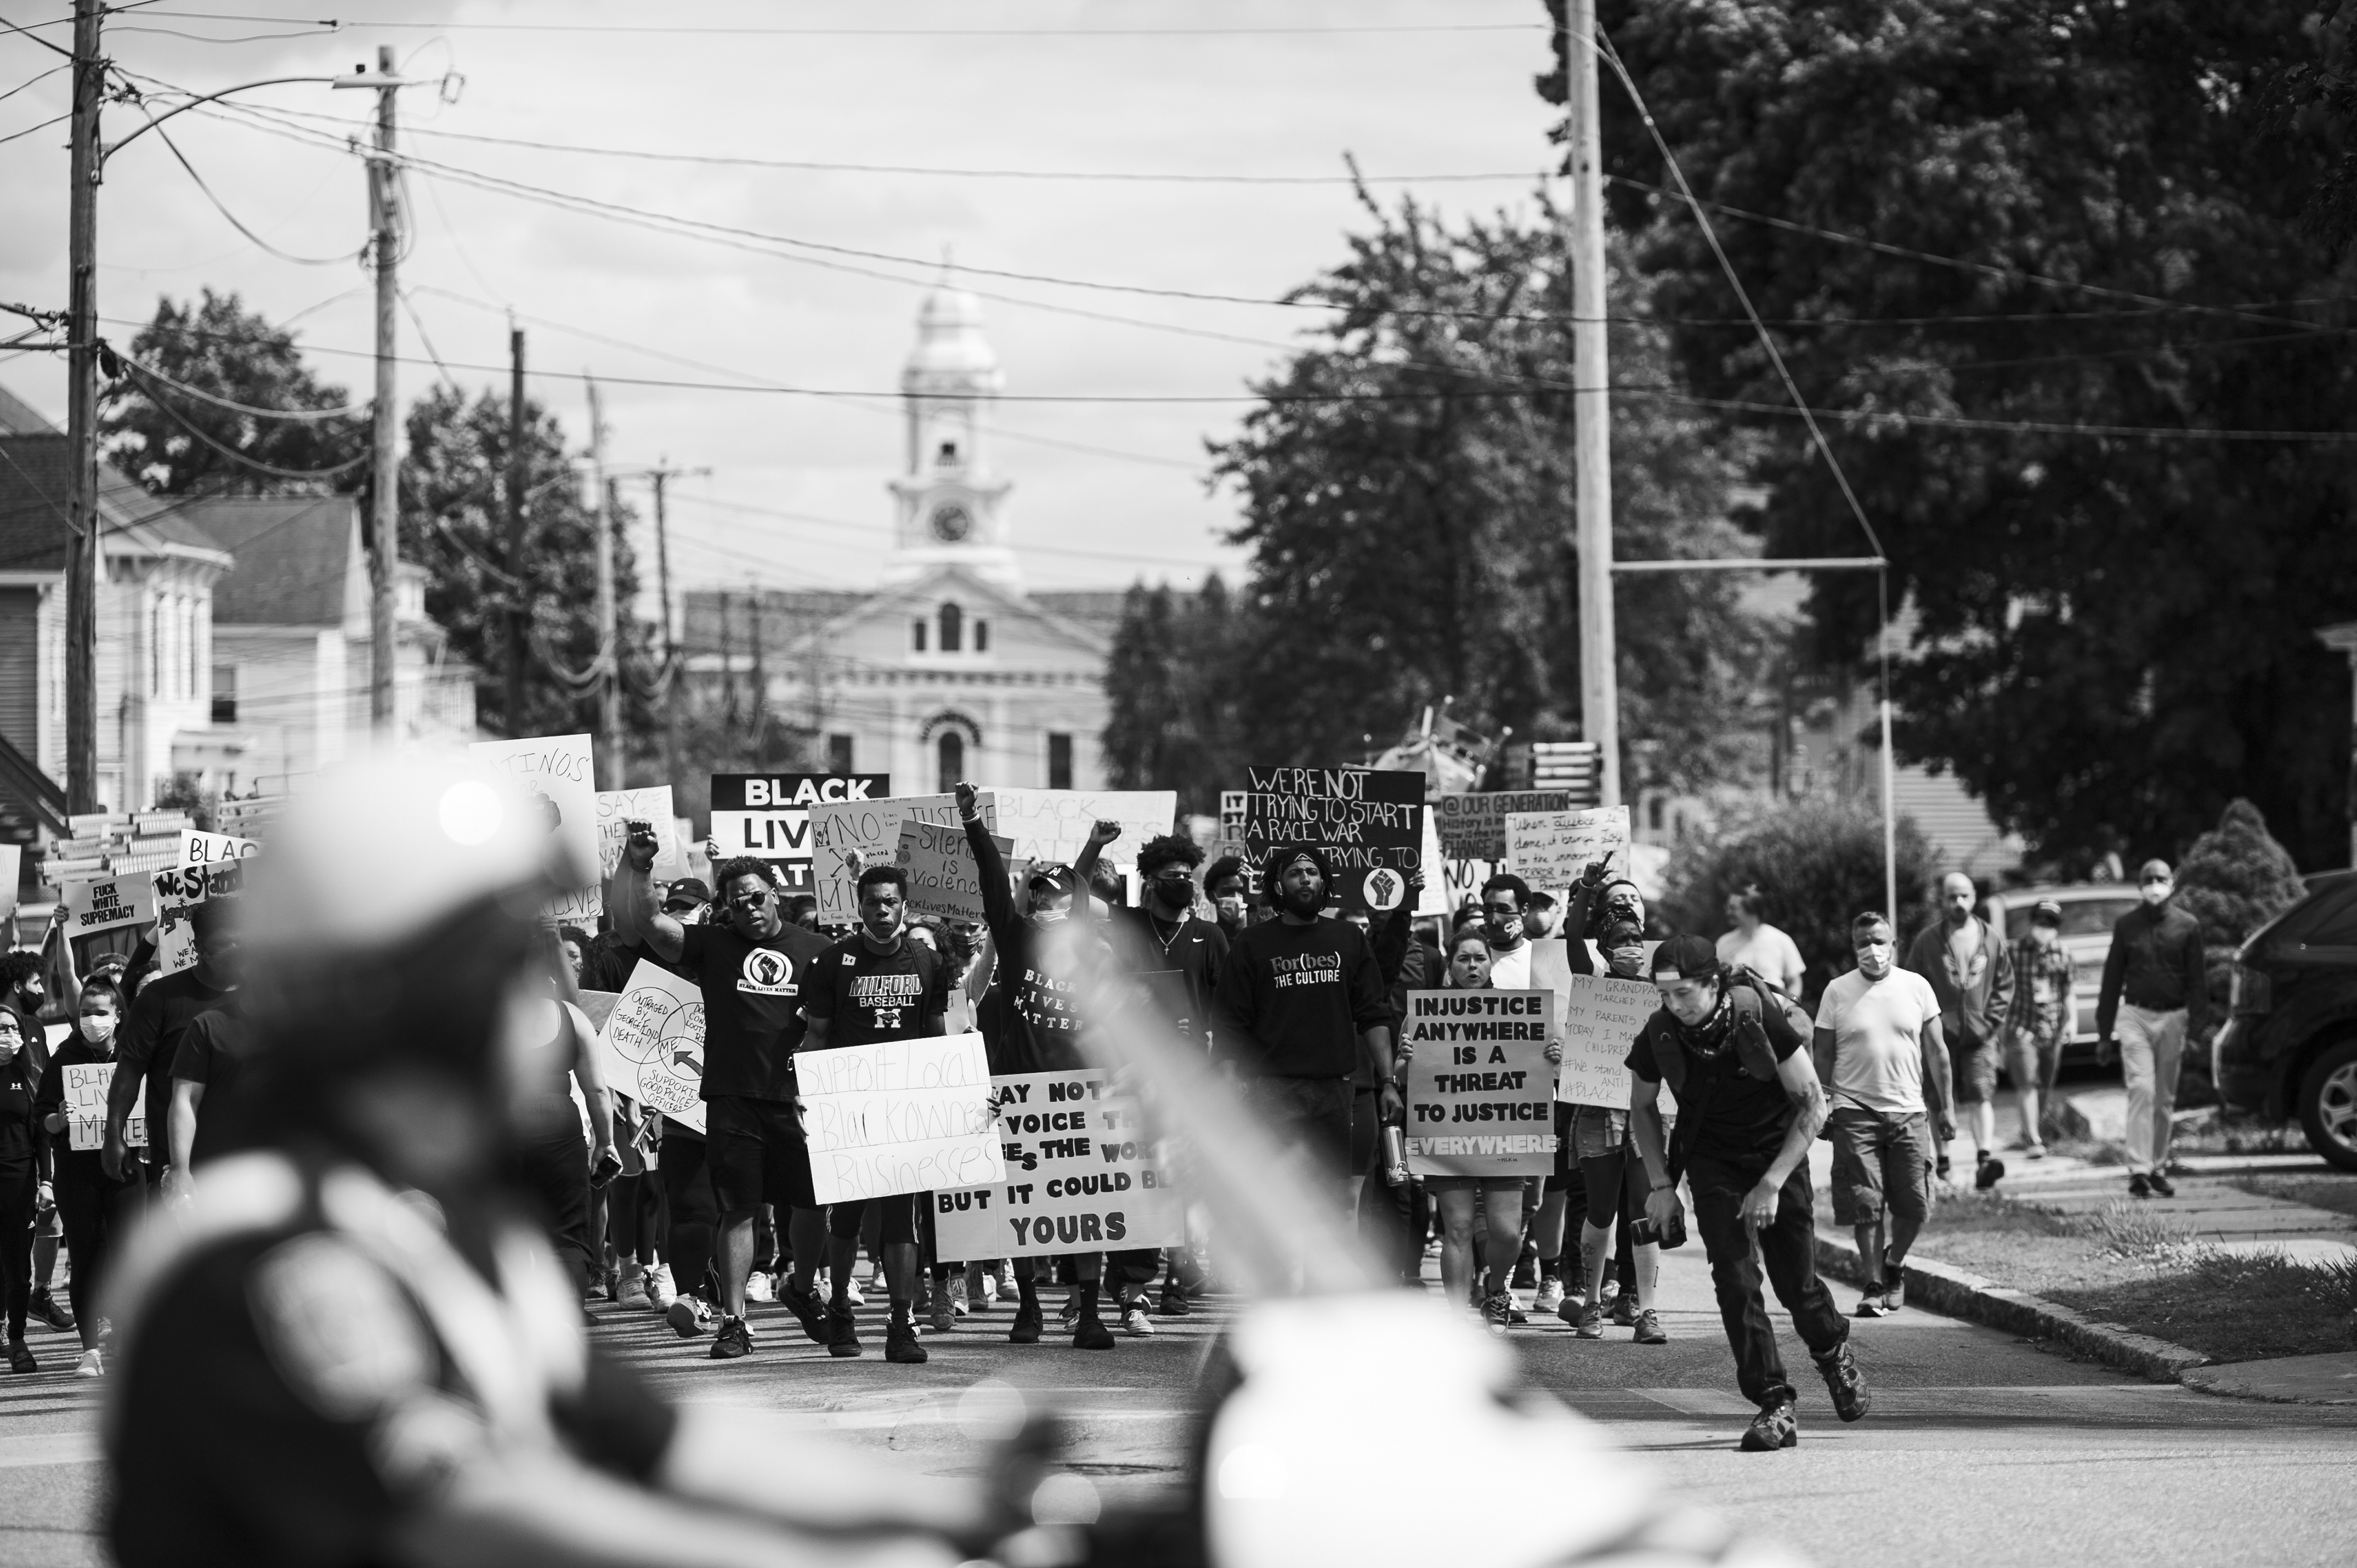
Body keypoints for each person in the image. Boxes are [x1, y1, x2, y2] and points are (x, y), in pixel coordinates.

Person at [103, 754, 1011, 1568]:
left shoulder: (456, 1233)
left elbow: (671, 1442)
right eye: (504, 965)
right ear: (409, 1000)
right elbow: (483, 1510)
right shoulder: (266, 1257)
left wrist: (974, 1509)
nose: (541, 997)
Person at [1628, 933, 1867, 1451]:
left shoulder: (1756, 1015)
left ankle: (1832, 1350)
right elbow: (1641, 1107)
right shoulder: (1660, 1033)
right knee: (1735, 1280)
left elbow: (1813, 1106)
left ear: (1713, 984)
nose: (1675, 1005)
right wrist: (1663, 1185)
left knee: (1796, 1288)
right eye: (1665, 995)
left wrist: (1773, 1183)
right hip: (1713, 1163)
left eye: (1685, 993)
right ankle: (1774, 1402)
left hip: (1777, 1153)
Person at [616, 832, 834, 1361]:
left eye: (757, 897)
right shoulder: (712, 944)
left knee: (810, 1205)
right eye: (737, 902)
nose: (749, 908)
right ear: (725, 907)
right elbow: (652, 924)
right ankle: (736, 1321)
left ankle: (801, 1287)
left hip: (799, 1100)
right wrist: (640, 867)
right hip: (732, 1097)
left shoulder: (819, 952)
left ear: (776, 895)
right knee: (739, 1208)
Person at [957, 783, 1121, 1350]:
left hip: (1079, 1093)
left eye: (1061, 903)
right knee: (1023, 1203)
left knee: (1086, 1203)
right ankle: (1028, 1305)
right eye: (1041, 901)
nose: (1052, 911)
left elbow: (1076, 888)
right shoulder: (1018, 937)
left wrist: (1093, 849)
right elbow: (991, 883)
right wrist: (974, 824)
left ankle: (1091, 1312)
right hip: (1020, 1090)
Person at [800, 862, 951, 1365]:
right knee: (845, 1215)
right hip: (847, 1105)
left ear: (904, 904)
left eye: (890, 901)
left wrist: (951, 1095)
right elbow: (816, 1036)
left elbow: (936, 1037)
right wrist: (808, 1097)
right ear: (858, 906)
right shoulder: (831, 962)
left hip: (905, 1105)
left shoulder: (928, 962)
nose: (882, 910)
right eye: (872, 902)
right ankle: (840, 1305)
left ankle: (901, 1322)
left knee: (901, 1217)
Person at [1210, 844, 1401, 1221]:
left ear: (1325, 883)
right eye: (1296, 873)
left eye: (1312, 873)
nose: (1305, 879)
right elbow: (1230, 1025)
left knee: (1332, 1201)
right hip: (1271, 1091)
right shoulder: (1252, 943)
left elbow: (1374, 1014)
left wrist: (1389, 1081)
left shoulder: (1348, 938)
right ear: (1279, 885)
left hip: (1334, 1092)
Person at [1102, 832, 1228, 1332]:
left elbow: (1226, 1010)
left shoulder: (1210, 937)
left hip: (1191, 1079)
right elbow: (1077, 904)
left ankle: (1178, 1274)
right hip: (1130, 1076)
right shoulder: (1127, 927)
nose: (1185, 884)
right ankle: (1132, 1287)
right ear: (1151, 880)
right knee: (1135, 1179)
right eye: (1173, 876)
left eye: (1188, 875)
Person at [1813, 913, 1953, 1319]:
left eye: (1878, 940)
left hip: (1909, 1110)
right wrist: (1822, 1106)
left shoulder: (1917, 987)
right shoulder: (1838, 991)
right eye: (1862, 942)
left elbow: (1938, 1052)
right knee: (1866, 1204)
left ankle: (1895, 1262)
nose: (1871, 949)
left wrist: (1946, 1108)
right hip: (1855, 1112)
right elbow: (1822, 1053)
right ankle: (1873, 1284)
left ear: (1894, 941)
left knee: (1915, 1206)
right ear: (1853, 946)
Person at [1416, 928, 1553, 1334]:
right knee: (1456, 1228)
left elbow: (1541, 1068)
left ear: (1491, 963)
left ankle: (1494, 1288)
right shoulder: (1427, 1012)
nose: (1472, 965)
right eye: (1463, 958)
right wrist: (1405, 1060)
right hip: (1449, 1132)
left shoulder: (1517, 1010)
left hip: (1505, 1130)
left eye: (1479, 958)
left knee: (1507, 1232)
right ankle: (1457, 1319)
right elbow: (1404, 1076)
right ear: (1450, 963)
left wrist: (1553, 1054)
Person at [1563, 913, 1669, 1345]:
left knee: (1644, 1212)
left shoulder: (1658, 993)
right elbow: (1572, 939)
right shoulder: (1592, 982)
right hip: (1595, 1111)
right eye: (1621, 940)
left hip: (1645, 1116)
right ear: (1605, 949)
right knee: (1602, 1210)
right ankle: (1591, 1301)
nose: (1631, 946)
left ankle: (1647, 1311)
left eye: (1636, 938)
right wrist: (1587, 892)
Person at [35, 978, 144, 1375]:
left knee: (131, 1256)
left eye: (100, 1011)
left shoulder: (135, 1054)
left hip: (128, 1172)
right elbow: (41, 1120)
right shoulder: (63, 1058)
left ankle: (132, 1342)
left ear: (117, 1016)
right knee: (85, 1259)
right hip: (77, 1176)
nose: (92, 1019)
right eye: (85, 1011)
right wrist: (57, 1118)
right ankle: (90, 1351)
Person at [103, 900, 239, 1191]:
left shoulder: (261, 996)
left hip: (244, 1158)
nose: (236, 951)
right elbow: (128, 1074)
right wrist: (113, 1135)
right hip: (178, 1165)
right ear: (199, 946)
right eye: (225, 943)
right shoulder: (158, 998)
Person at [2096, 859, 2207, 1199]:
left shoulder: (2188, 926)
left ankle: (2157, 1166)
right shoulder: (2127, 925)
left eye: (2161, 879)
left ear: (2172, 884)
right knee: (2142, 1089)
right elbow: (2113, 978)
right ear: (2140, 886)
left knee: (2164, 1098)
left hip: (2174, 1017)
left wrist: (2198, 1029)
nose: (2155, 884)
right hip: (2136, 1017)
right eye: (2148, 879)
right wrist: (2103, 1033)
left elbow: (2197, 981)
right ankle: (2138, 1169)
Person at [1902, 873, 2013, 1189]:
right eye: (1952, 897)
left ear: (1974, 897)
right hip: (1939, 1033)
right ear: (1943, 900)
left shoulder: (1991, 937)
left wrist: (1991, 1021)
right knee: (1937, 1097)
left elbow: (2005, 984)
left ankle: (1984, 1159)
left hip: (1981, 1033)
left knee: (1982, 1092)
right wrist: (1924, 1023)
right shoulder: (1927, 940)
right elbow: (1912, 983)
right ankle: (1944, 1163)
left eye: (1964, 896)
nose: (1959, 903)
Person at [2003, 899, 2076, 1159]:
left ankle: (2035, 1130)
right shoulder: (2013, 951)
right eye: (2041, 922)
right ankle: (2033, 1138)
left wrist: (2072, 1022)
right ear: (2032, 923)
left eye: (2051, 924)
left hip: (2052, 1028)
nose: (2045, 928)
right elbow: (2000, 990)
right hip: (2021, 1027)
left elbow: (2067, 992)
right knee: (2027, 1083)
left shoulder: (2064, 954)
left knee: (2045, 1084)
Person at [166, 1003, 254, 1192]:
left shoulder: (308, 1025)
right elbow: (186, 1099)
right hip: (219, 1170)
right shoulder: (207, 1025)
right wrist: (181, 1170)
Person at [0, 1006, 42, 1372]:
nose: (8, 1035)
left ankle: (17, 1339)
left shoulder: (28, 1075)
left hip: (20, 1185)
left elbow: (41, 1134)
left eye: (13, 1028)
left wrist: (46, 1182)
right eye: (0, 1028)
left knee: (18, 1270)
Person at [1716, 886, 1807, 998]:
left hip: (1776, 1013)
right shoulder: (1724, 943)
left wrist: (1788, 1009)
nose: (1728, 912)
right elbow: (1717, 982)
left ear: (1752, 909)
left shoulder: (1781, 940)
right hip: (1737, 1013)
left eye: (1733, 908)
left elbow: (1795, 982)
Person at [1477, 874, 1537, 990]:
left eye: (1503, 910)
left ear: (1524, 910)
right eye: (1488, 910)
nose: (1494, 920)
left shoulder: (1541, 959)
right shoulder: (1470, 961)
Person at [1204, 855, 1252, 942]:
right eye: (1227, 891)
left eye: (1242, 891)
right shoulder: (1207, 941)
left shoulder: (1260, 940)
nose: (1236, 897)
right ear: (1211, 896)